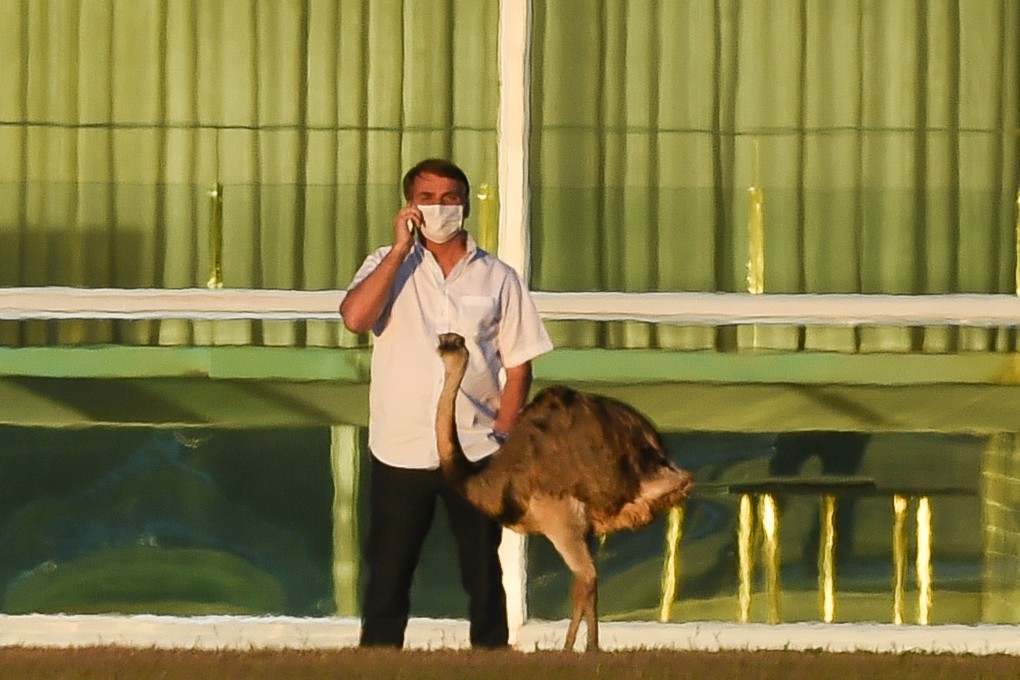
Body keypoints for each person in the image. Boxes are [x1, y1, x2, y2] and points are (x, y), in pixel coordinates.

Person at [339, 158, 553, 648]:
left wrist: (504, 430)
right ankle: (377, 659)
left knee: (482, 568)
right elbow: (355, 318)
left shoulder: (496, 276)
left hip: (475, 447)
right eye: (427, 198)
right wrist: (398, 250)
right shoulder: (386, 264)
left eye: (450, 197)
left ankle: (492, 656)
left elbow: (518, 363)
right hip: (402, 444)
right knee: (389, 569)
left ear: (466, 204)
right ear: (410, 206)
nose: (440, 208)